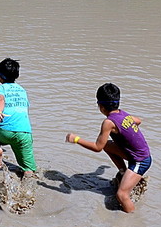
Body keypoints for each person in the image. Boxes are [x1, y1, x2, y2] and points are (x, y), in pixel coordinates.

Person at [65, 83, 151, 213]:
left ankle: (131, 219)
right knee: (108, 145)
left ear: (101, 106)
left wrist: (76, 139)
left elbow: (97, 147)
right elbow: (138, 121)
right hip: (137, 154)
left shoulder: (108, 122)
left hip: (141, 161)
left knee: (121, 195)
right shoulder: (123, 114)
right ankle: (123, 173)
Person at [0, 58, 37, 177]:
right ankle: (28, 190)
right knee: (28, 168)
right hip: (25, 132)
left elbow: (1, 99)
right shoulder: (22, 90)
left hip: (5, 130)